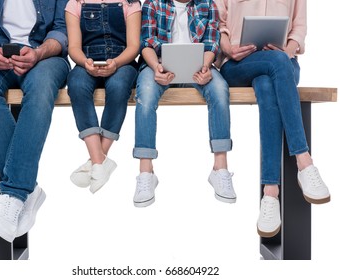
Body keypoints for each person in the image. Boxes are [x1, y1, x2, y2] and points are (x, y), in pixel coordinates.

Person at [214, 0, 331, 238]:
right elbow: (217, 22)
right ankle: (304, 162)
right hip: (237, 63)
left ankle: (270, 192)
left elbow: (299, 26)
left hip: (282, 60)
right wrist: (228, 49)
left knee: (268, 85)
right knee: (275, 67)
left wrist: (287, 51)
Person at [0, 0, 70, 242]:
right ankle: (24, 189)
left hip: (45, 58)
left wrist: (39, 52)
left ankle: (15, 191)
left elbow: (62, 30)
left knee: (41, 88)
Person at [133, 0, 235, 207]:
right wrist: (155, 67)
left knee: (219, 90)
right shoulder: (153, 3)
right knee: (145, 94)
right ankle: (146, 172)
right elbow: (146, 43)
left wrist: (206, 67)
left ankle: (220, 168)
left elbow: (212, 42)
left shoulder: (208, 4)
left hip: (198, 66)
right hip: (158, 65)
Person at [65, 0, 141, 193]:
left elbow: (134, 46)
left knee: (118, 86)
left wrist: (115, 63)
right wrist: (85, 62)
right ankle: (100, 161)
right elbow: (73, 47)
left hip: (122, 62)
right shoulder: (75, 4)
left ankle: (97, 159)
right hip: (87, 62)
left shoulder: (130, 4)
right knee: (76, 84)